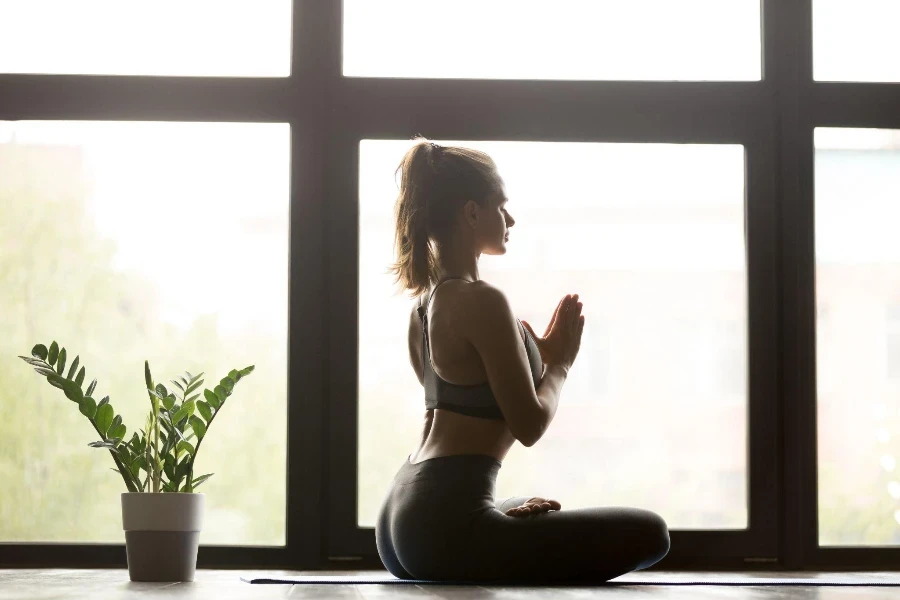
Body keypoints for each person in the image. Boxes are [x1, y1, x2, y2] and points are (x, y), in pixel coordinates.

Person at [375, 138, 670, 583]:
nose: (510, 219)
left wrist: (543, 357)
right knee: (652, 532)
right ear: (471, 212)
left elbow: (448, 420)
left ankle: (494, 520)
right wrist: (561, 365)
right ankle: (488, 523)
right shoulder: (481, 300)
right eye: (501, 206)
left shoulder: (423, 308)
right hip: (442, 526)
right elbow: (529, 425)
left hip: (403, 514)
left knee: (523, 507)